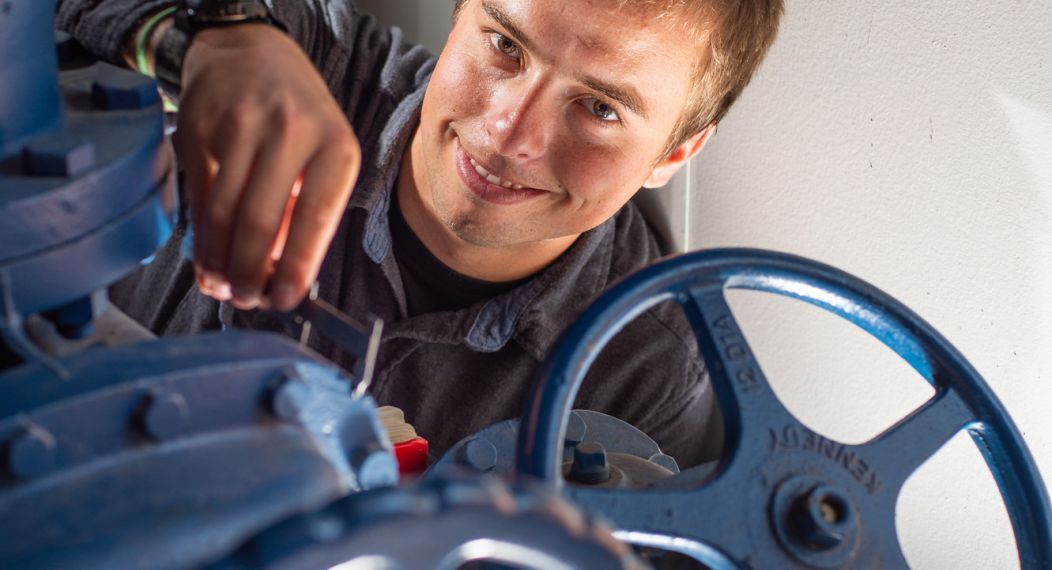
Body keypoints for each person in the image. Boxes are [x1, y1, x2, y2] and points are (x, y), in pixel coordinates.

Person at [56, 0, 783, 467]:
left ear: (674, 154)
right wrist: (209, 41)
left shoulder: (645, 370)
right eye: (504, 45)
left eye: (598, 108)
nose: (510, 132)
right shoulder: (308, 54)